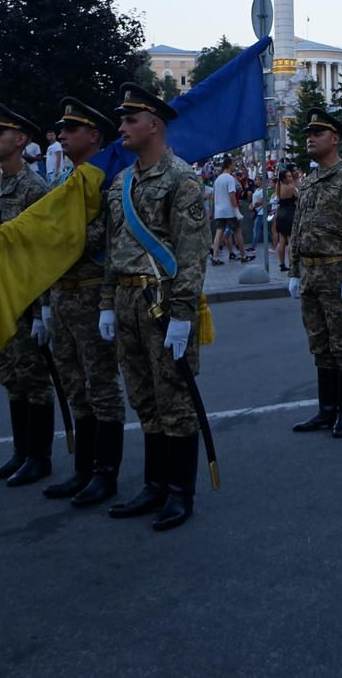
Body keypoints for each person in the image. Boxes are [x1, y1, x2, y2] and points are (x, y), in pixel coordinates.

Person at [100, 84, 210, 530]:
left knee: (175, 400)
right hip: (126, 300)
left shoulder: (181, 179)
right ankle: (154, 485)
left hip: (162, 303)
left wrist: (183, 315)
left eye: (130, 120)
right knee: (144, 397)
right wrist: (108, 302)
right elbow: (112, 248)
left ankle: (179, 493)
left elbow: (191, 254)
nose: (121, 127)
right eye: (121, 120)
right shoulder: (121, 183)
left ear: (154, 125)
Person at [40, 98, 127, 508]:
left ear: (93, 135)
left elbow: (105, 239)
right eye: (61, 129)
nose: (61, 135)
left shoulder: (110, 180)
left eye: (71, 129)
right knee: (75, 386)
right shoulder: (62, 183)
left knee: (102, 387)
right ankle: (83, 470)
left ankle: (105, 474)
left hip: (93, 293)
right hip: (62, 296)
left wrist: (62, 238)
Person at [0, 104, 55, 487]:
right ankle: (20, 452)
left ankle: (39, 457)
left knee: (34, 378)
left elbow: (42, 255)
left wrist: (43, 311)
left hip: (27, 300)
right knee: (11, 375)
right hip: (2, 298)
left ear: (21, 140)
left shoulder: (35, 188)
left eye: (0, 132)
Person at [288, 108, 342, 438]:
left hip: (336, 273)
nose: (310, 137)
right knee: (320, 344)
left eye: (317, 133)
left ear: (334, 139)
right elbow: (297, 227)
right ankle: (326, 409)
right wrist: (293, 271)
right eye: (309, 132)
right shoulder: (309, 182)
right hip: (309, 274)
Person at [210, 157, 246, 264]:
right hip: (229, 210)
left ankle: (215, 257)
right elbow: (232, 196)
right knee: (237, 232)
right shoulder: (230, 179)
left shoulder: (217, 179)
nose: (235, 166)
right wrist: (236, 211)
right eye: (234, 164)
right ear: (229, 165)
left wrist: (213, 211)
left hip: (219, 211)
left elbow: (213, 197)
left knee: (218, 233)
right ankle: (243, 255)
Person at [275, 165, 297, 271]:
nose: (291, 178)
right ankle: (292, 264)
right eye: (288, 177)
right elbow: (299, 198)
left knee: (281, 240)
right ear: (284, 178)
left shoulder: (278, 187)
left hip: (280, 213)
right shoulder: (291, 188)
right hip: (290, 213)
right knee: (290, 240)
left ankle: (282, 264)